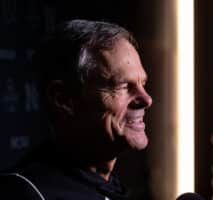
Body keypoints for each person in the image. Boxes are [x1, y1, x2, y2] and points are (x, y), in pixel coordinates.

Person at [0, 19, 152, 200]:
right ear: (63, 99)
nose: (146, 99)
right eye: (123, 86)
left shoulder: (109, 186)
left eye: (143, 83)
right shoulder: (25, 194)